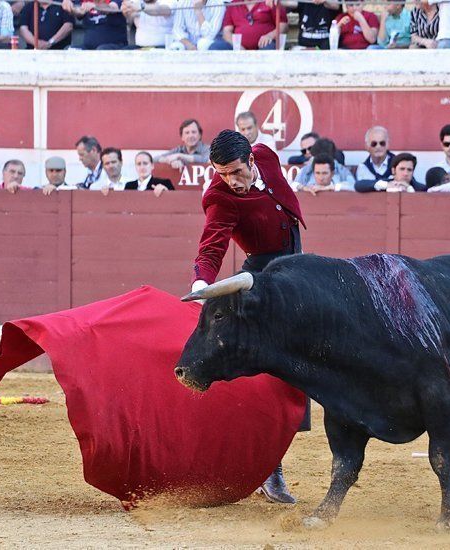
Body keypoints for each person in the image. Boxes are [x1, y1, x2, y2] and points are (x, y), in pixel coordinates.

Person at [190, 130, 306, 504]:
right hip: (261, 281)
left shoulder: (266, 156)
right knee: (272, 372)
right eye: (223, 174)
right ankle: (271, 469)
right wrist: (201, 283)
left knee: (302, 364)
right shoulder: (219, 197)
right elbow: (212, 244)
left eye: (237, 172)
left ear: (252, 161)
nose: (232, 182)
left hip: (298, 270)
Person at [209, 0, 286, 50]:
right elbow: (226, 32)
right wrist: (237, 46)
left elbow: (283, 25)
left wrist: (270, 35)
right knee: (214, 47)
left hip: (265, 45)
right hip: (238, 47)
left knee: (270, 50)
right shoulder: (234, 4)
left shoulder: (269, 1)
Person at [62, 0, 128, 50]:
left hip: (115, 46)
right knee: (69, 50)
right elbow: (78, 11)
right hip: (88, 47)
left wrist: (95, 6)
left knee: (101, 50)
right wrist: (69, 6)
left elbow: (112, 8)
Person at [355, 153, 425, 192]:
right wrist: (386, 185)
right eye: (402, 169)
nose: (405, 173)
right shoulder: (386, 183)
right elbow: (359, 185)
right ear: (393, 170)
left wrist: (409, 189)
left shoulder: (421, 188)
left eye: (409, 170)